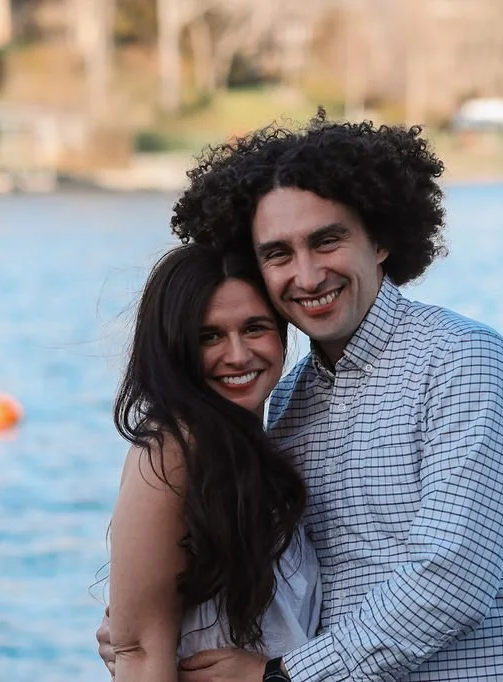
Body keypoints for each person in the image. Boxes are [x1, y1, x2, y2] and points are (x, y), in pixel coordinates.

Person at [98, 110, 503, 681]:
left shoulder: (462, 359)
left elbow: (453, 576)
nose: (307, 275)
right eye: (278, 253)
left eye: (327, 241)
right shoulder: (288, 400)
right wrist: (149, 626)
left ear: (381, 240)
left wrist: (282, 675)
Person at [104, 243, 321, 682]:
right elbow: (140, 652)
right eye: (209, 336)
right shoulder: (171, 450)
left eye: (255, 328)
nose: (238, 355)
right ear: (173, 347)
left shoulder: (262, 445)